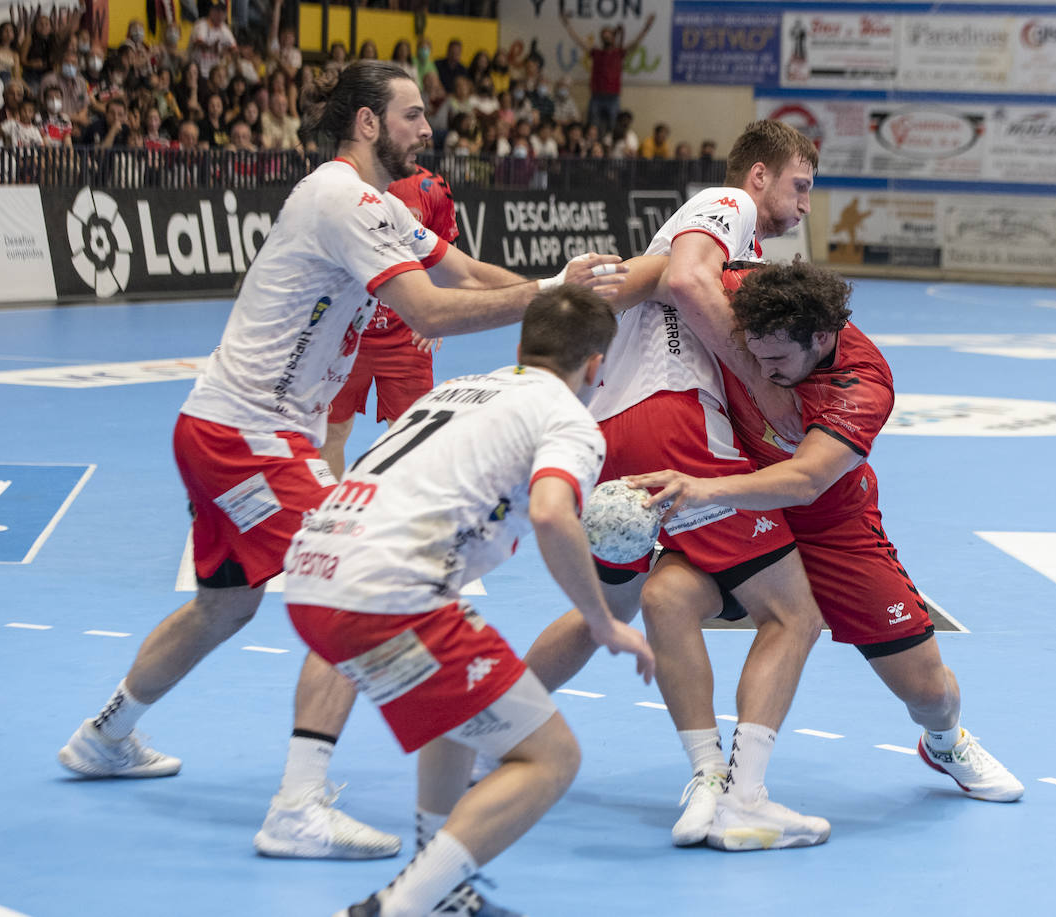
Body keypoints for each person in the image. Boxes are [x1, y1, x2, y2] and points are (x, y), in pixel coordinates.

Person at [56, 61, 628, 866]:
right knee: (350, 574)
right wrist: (545, 291)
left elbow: (460, 271)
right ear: (367, 123)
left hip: (230, 426)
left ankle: (102, 735)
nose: (427, 130)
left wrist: (572, 302)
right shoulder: (341, 197)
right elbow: (428, 308)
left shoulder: (386, 203)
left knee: (223, 608)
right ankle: (297, 806)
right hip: (245, 433)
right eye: (412, 116)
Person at [286, 285, 655, 917]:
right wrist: (603, 620)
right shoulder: (569, 420)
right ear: (597, 366)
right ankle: (406, 905)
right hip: (388, 592)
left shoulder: (456, 391)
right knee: (550, 757)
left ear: (521, 347)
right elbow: (549, 512)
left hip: (312, 576)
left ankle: (440, 884)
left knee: (457, 711)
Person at [519, 120, 831, 852]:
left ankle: (484, 730)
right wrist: (763, 382)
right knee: (794, 612)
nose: (805, 205)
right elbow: (688, 280)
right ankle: (735, 790)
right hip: (674, 423)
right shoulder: (727, 205)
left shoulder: (734, 245)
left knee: (618, 602)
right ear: (758, 175)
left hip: (612, 436)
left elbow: (655, 281)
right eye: (801, 185)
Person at [625, 260, 1025, 808]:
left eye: (776, 361)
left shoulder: (861, 384)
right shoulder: (752, 296)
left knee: (931, 693)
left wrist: (699, 490)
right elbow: (672, 267)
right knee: (664, 596)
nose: (759, 372)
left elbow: (806, 481)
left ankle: (946, 743)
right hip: (744, 511)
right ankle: (714, 773)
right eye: (752, 353)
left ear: (821, 338)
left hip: (832, 525)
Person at [321, 164, 458, 479]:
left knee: (410, 443)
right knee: (332, 432)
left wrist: (435, 313)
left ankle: (398, 524)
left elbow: (446, 257)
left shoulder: (431, 187)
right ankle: (329, 522)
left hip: (406, 333)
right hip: (345, 333)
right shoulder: (339, 183)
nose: (423, 131)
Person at [559, 9, 655, 136]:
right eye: (604, 35)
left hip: (613, 97)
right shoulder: (596, 53)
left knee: (614, 128)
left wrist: (647, 27)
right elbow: (579, 41)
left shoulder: (619, 53)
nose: (606, 37)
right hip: (596, 96)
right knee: (593, 127)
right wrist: (567, 25)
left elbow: (635, 43)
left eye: (609, 34)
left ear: (613, 37)